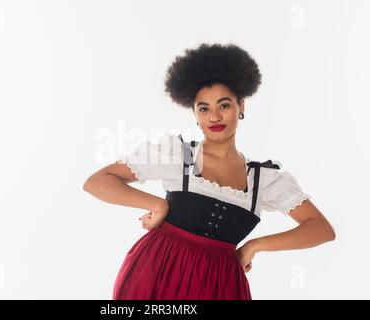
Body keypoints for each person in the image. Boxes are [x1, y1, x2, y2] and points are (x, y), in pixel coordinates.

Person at [83, 43, 336, 300]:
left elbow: (321, 229)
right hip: (157, 271)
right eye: (204, 108)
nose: (214, 116)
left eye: (224, 105)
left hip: (221, 286)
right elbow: (97, 182)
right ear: (195, 114)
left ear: (242, 106)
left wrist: (254, 246)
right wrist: (159, 205)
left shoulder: (264, 180)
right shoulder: (176, 155)